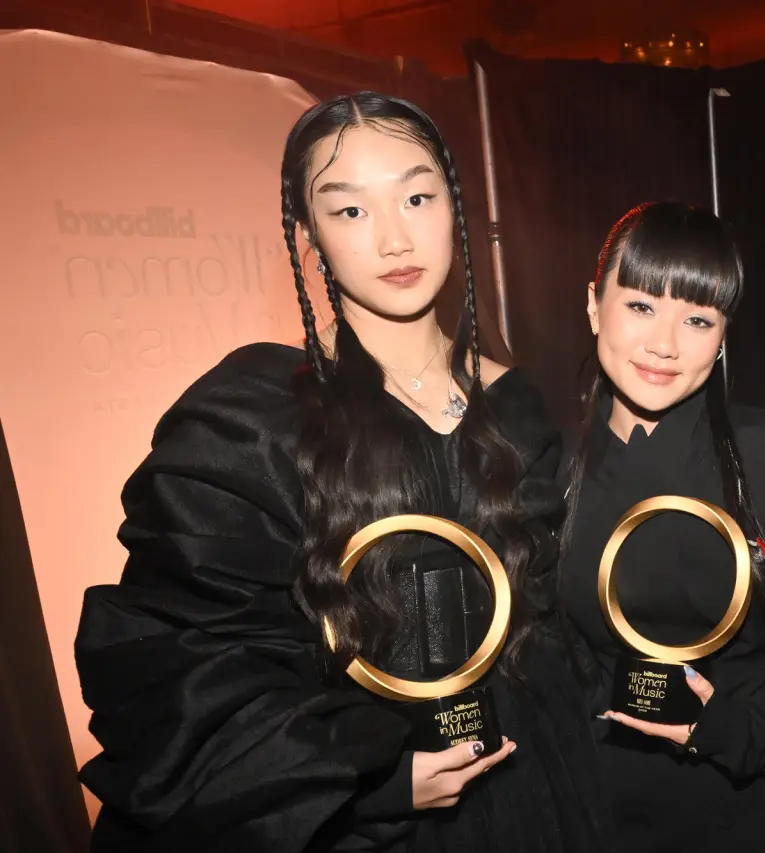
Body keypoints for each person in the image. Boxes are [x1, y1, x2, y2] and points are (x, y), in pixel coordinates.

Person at [75, 92, 608, 852]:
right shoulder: (252, 417)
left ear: (454, 210)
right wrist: (371, 779)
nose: (395, 237)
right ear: (307, 242)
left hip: (526, 781)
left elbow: (546, 618)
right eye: (351, 211)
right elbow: (183, 662)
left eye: (417, 197)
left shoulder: (515, 401)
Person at [557, 201, 765, 852]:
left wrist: (747, 728)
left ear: (721, 336)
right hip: (610, 813)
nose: (664, 343)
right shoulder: (547, 473)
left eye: (697, 318)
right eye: (641, 306)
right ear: (596, 305)